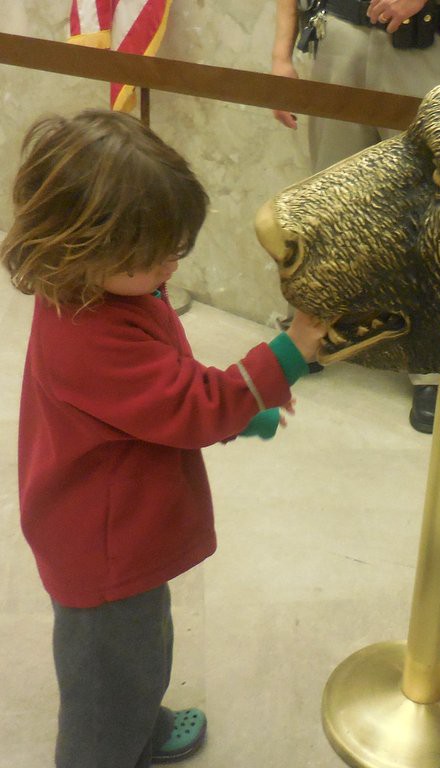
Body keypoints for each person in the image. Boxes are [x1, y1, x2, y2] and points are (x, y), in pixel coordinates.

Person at [0, 109, 327, 768]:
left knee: (141, 649)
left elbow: (168, 390)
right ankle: (109, 747)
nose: (170, 264)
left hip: (116, 528)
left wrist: (245, 412)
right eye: (153, 255)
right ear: (79, 246)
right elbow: (191, 403)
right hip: (103, 547)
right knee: (104, 681)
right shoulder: (89, 336)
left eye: (174, 246)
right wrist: (288, 356)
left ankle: (137, 721)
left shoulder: (102, 292)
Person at [271, 0, 440, 434]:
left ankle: (432, 368)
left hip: (424, 39)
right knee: (326, 195)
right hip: (337, 34)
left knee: (429, 203)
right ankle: (306, 334)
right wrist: (281, 57)